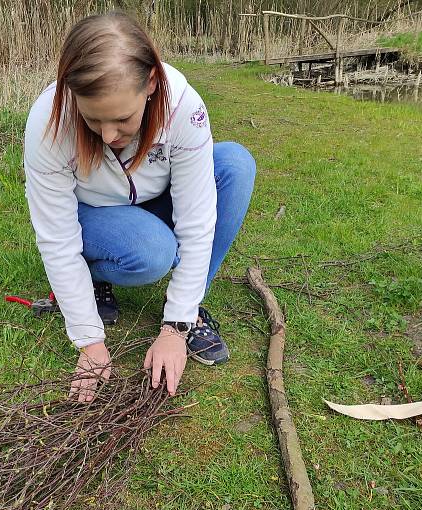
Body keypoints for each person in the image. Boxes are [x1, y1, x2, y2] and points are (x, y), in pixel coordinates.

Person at [23, 11, 255, 402]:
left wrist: (174, 328)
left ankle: (191, 309)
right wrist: (90, 342)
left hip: (153, 201)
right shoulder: (49, 120)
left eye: (122, 119)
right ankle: (95, 281)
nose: (109, 135)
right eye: (94, 120)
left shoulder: (183, 106)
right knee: (152, 253)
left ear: (150, 83)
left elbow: (198, 221)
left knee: (234, 165)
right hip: (93, 216)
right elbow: (58, 238)